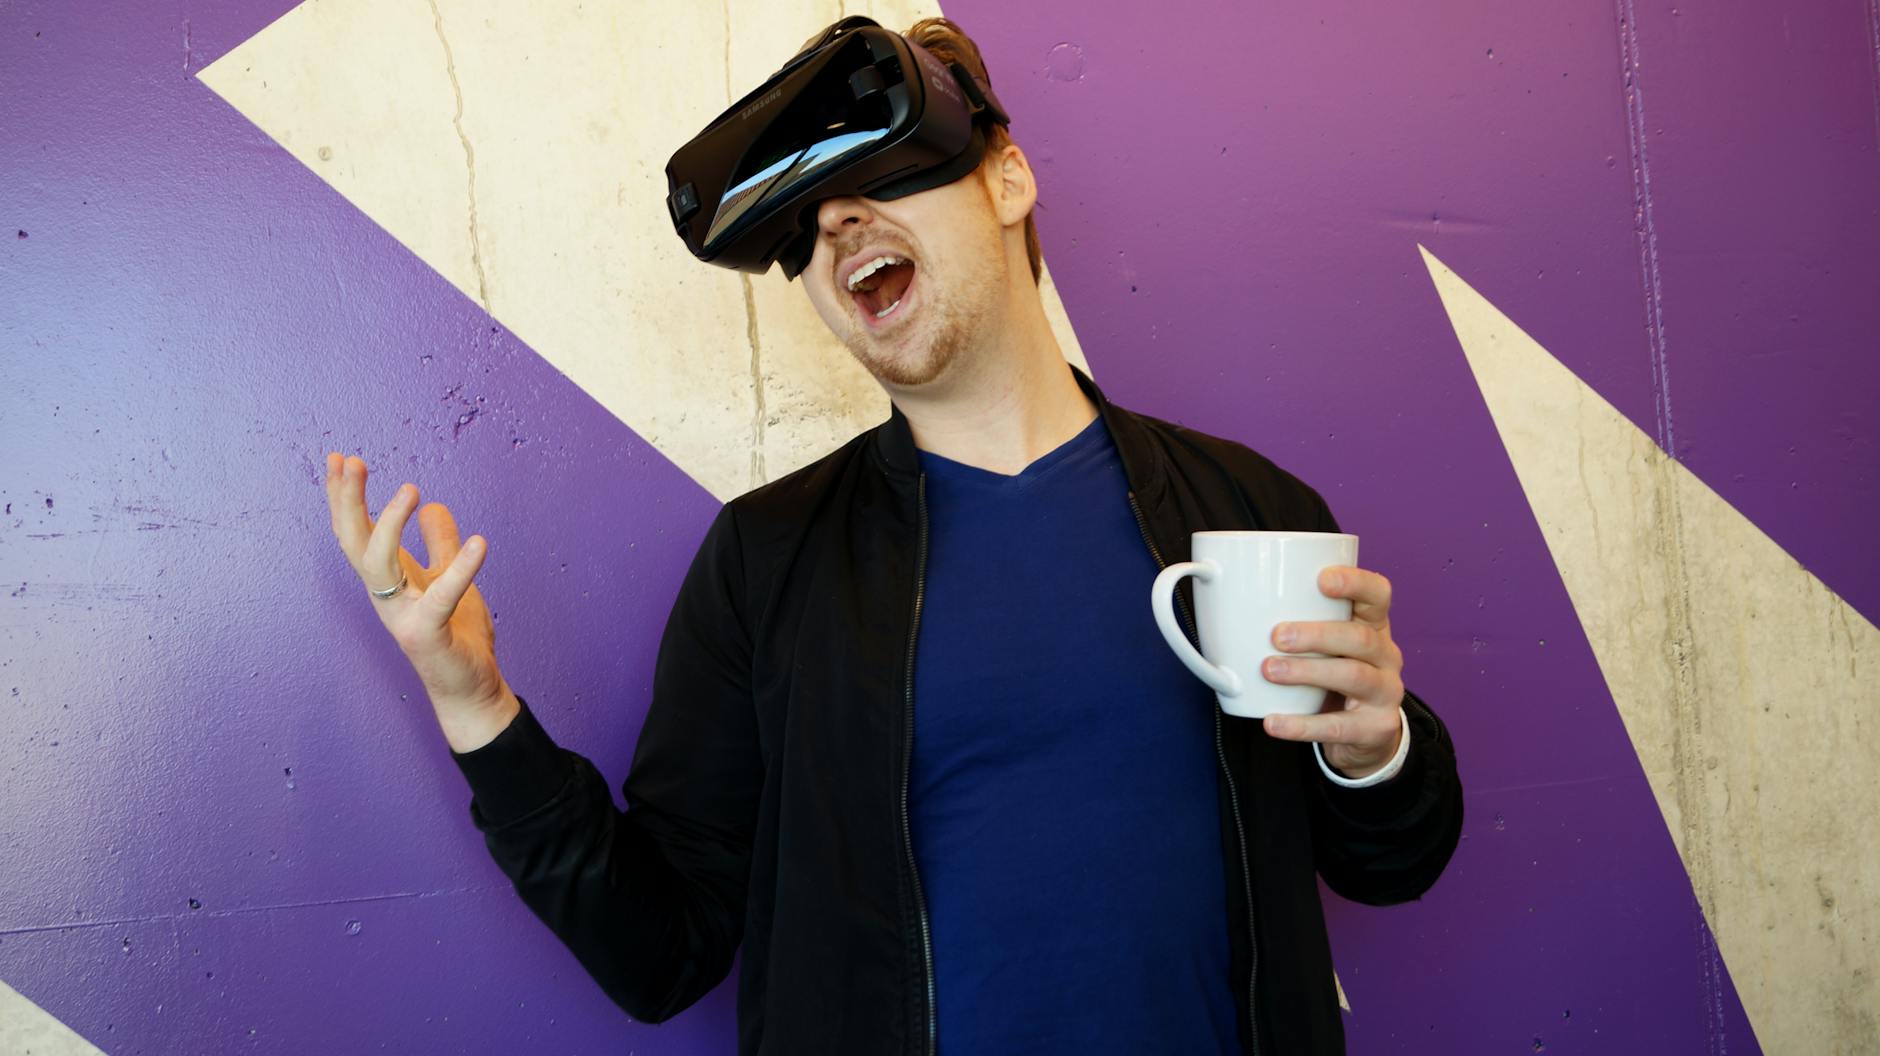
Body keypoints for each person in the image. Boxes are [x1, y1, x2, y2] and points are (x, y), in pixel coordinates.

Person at [322, 16, 1462, 1056]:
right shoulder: (766, 564)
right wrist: (479, 711)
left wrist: (1373, 752)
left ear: (1007, 180)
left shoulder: (1247, 513)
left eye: (876, 177)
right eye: (803, 230)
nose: (835, 226)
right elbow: (661, 953)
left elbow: (1392, 860)